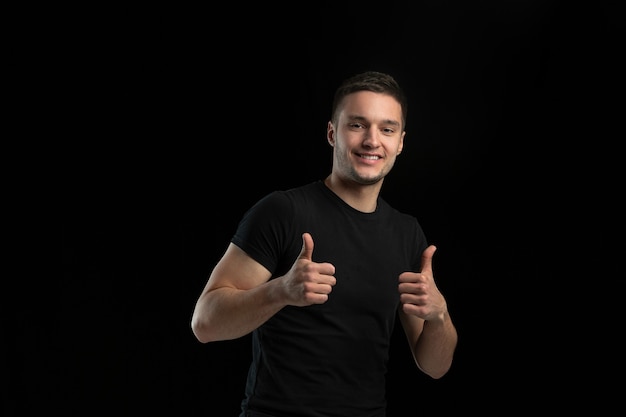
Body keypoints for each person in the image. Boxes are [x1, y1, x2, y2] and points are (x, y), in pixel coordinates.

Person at [191, 70, 458, 417]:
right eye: (357, 125)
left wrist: (439, 316)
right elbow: (204, 324)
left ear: (401, 142)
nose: (372, 140)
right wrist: (281, 291)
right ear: (332, 133)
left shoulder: (407, 234)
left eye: (387, 129)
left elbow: (434, 366)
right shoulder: (282, 211)